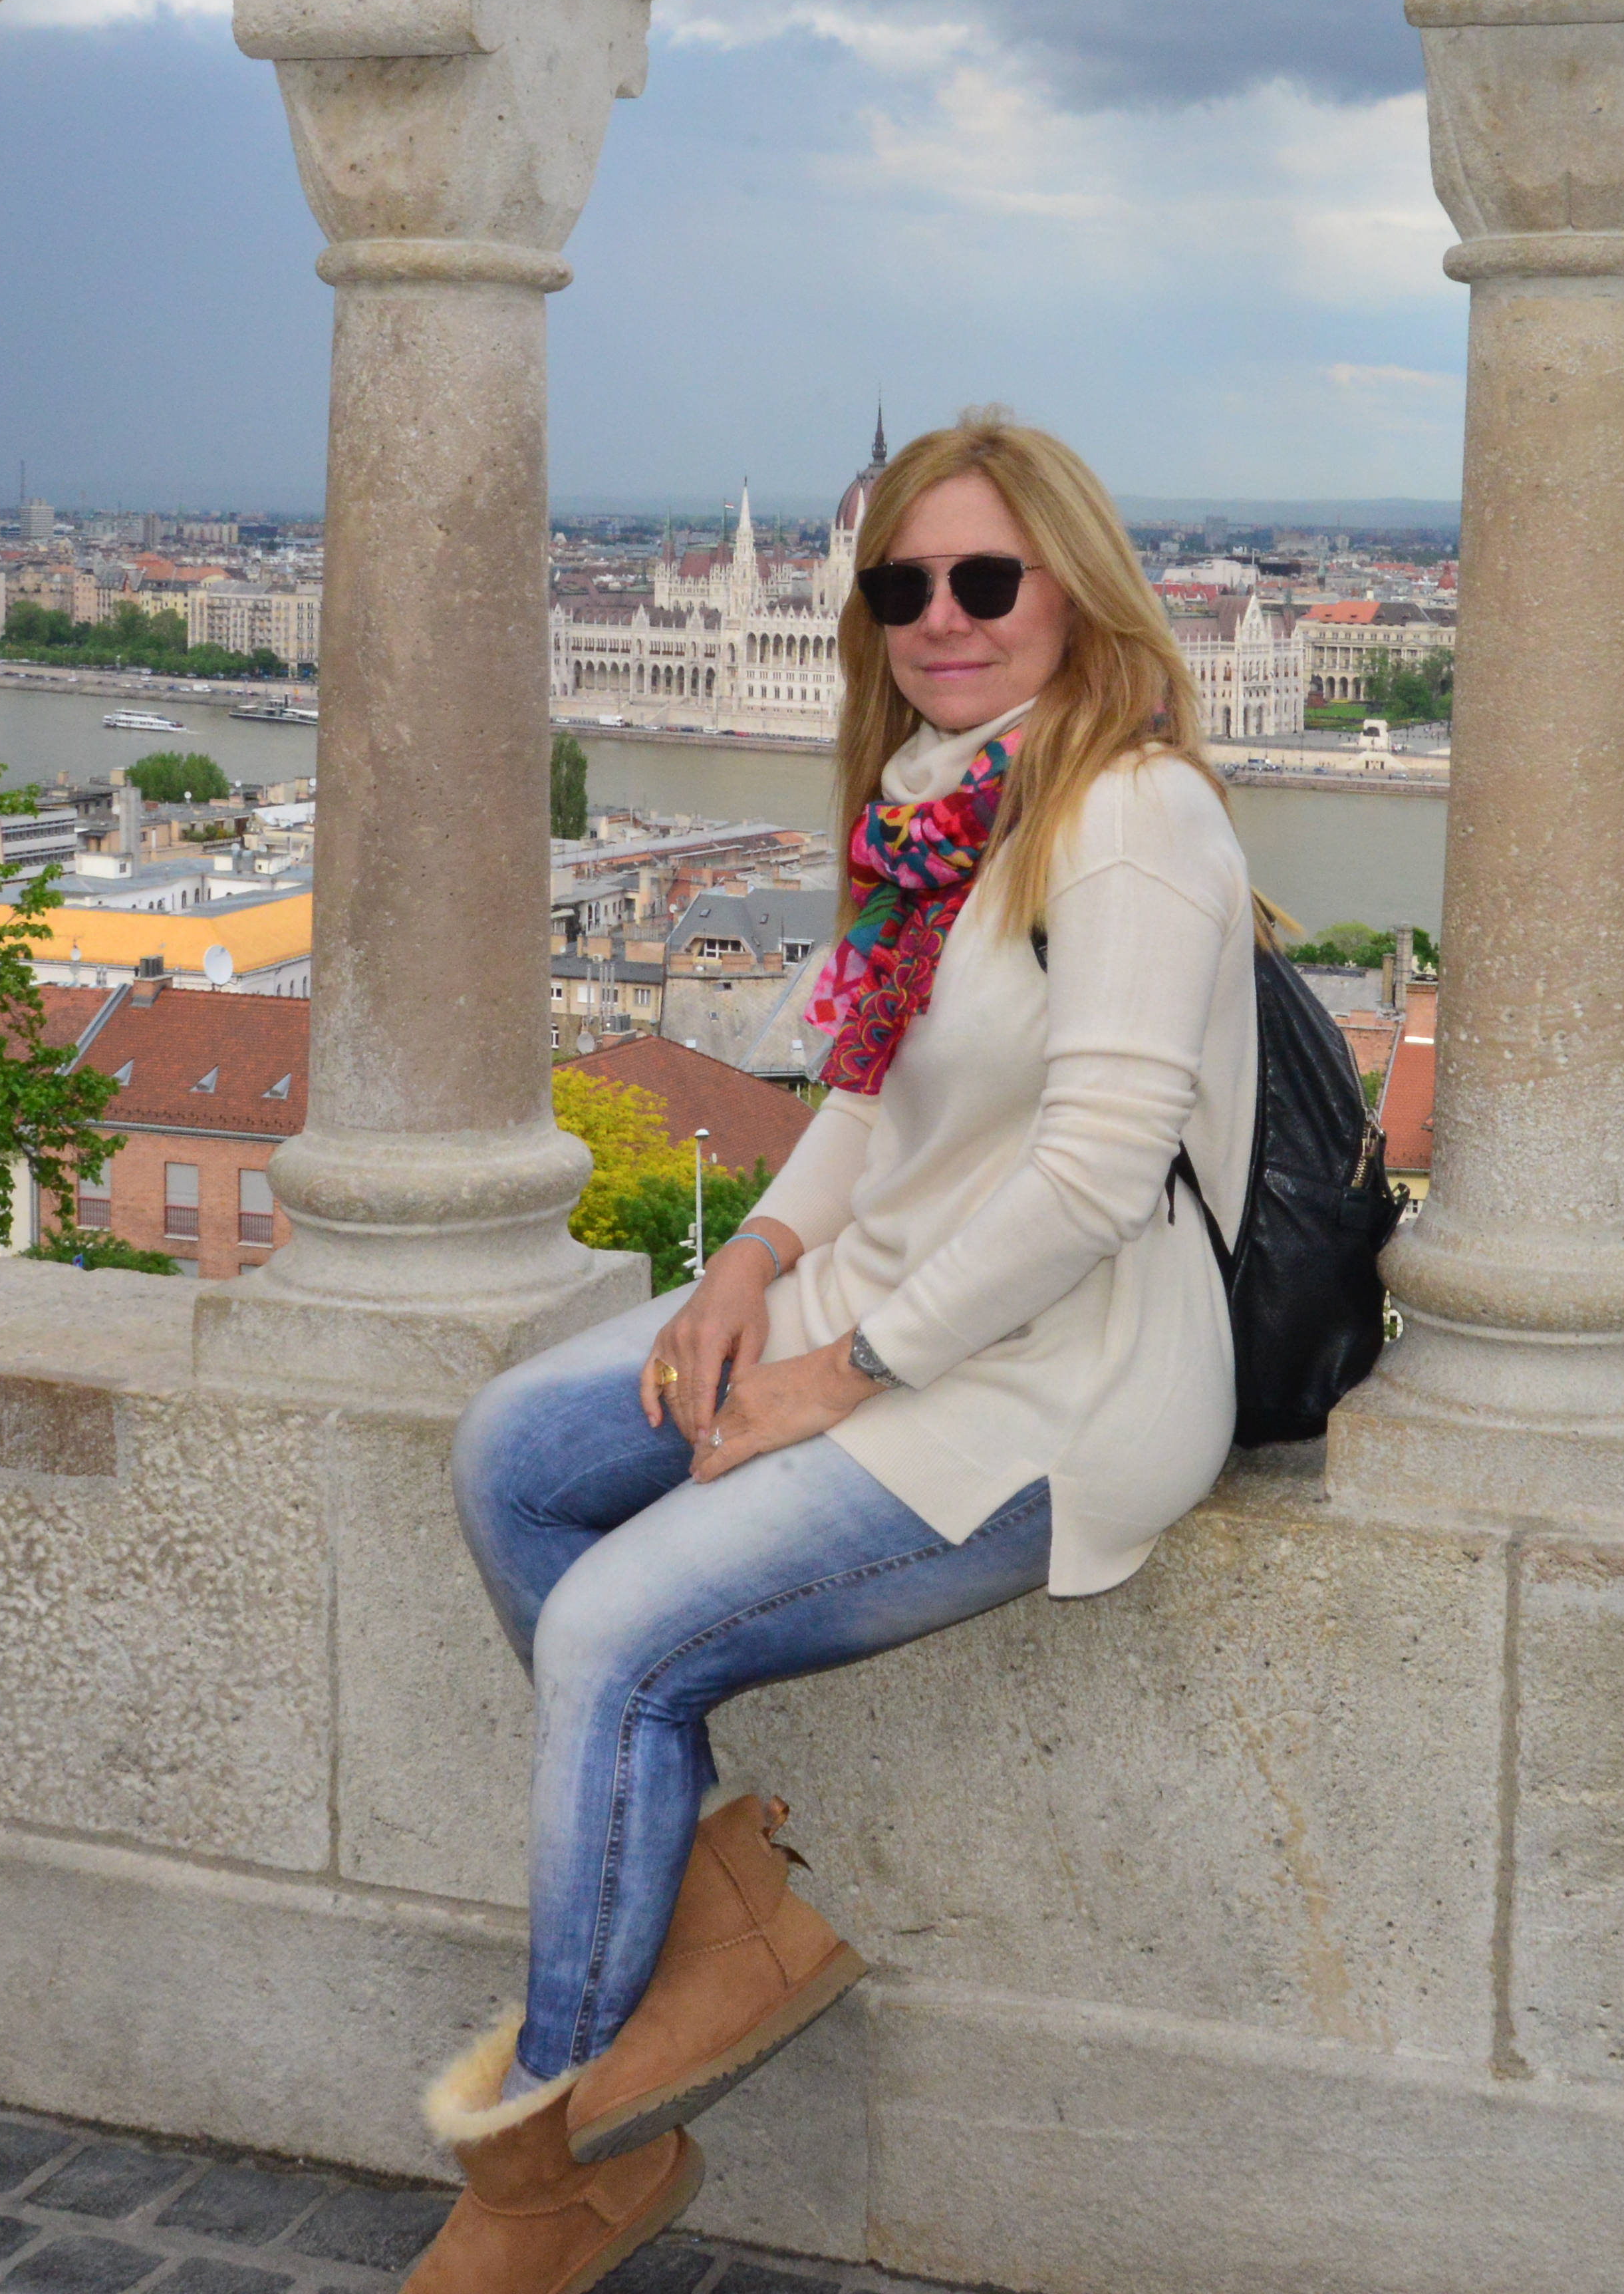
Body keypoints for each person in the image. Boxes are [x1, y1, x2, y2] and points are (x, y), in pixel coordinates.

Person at [405, 412, 1256, 2294]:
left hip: (1067, 1371)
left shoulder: (1131, 812)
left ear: (1074, 591)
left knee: (619, 1638)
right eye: (901, 586)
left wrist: (828, 1374)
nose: (940, 617)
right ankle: (722, 1914)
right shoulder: (953, 800)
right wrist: (751, 1270)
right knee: (513, 1462)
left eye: (983, 580)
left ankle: (537, 2164)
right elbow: (867, 1103)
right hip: (888, 1284)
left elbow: (1102, 1175)